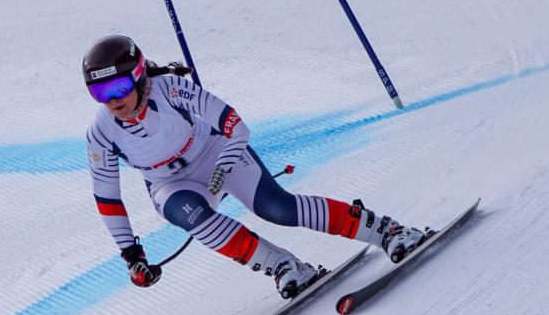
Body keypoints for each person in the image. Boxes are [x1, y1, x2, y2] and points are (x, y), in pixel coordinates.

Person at [82, 35, 427, 299]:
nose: (113, 100)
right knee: (194, 218)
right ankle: (285, 266)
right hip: (168, 183)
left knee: (276, 208)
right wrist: (131, 255)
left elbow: (236, 127)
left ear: (140, 76)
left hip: (215, 151)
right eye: (99, 92)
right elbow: (108, 198)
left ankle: (387, 231)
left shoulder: (171, 89)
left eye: (119, 86)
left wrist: (221, 167)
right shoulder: (101, 131)